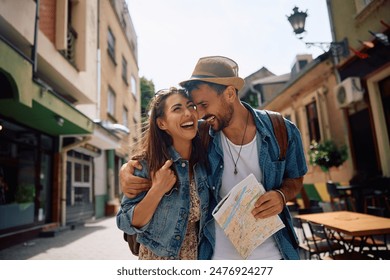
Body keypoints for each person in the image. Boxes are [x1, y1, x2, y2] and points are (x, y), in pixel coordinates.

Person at [120, 56, 308, 260]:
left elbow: (296, 178)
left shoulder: (281, 130)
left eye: (202, 104)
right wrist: (128, 168)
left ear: (229, 93)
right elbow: (163, 145)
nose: (199, 114)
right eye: (195, 106)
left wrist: (281, 195)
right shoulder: (201, 135)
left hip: (275, 254)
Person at [116, 87, 212, 260]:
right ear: (162, 123)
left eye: (191, 106)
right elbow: (125, 223)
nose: (188, 113)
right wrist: (157, 190)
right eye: (177, 109)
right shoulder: (146, 164)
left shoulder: (205, 158)